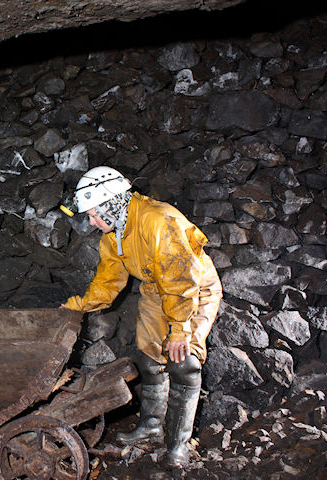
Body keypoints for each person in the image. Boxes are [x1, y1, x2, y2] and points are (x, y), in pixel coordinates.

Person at [60, 166, 222, 467]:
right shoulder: (115, 233)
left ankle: (178, 446)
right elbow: (109, 281)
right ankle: (151, 427)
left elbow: (181, 279)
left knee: (183, 364)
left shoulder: (158, 220)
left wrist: (178, 330)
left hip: (193, 288)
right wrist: (79, 305)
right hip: (156, 290)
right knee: (149, 361)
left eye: (95, 214)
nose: (93, 222)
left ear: (113, 202)